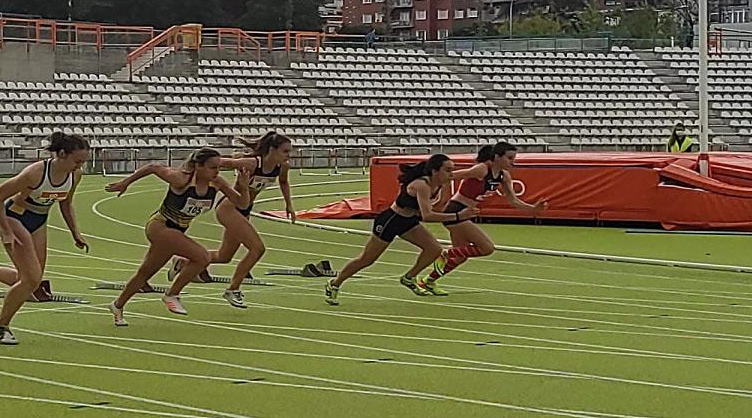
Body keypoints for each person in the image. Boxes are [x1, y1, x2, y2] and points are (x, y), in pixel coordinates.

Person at [0, 132, 90, 345]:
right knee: (31, 279)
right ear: (62, 154)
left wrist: (75, 233)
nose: (80, 165)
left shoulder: (75, 175)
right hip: (15, 217)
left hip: (39, 220)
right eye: (77, 161)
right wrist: (6, 231)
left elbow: (66, 203)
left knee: (29, 280)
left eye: (83, 161)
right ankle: (1, 326)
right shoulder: (35, 173)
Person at [104, 148, 250, 326]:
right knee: (202, 257)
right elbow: (152, 167)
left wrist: (244, 187)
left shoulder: (217, 183)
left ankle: (117, 305)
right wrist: (125, 183)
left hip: (177, 232)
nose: (217, 171)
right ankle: (172, 294)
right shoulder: (181, 179)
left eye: (219, 167)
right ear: (198, 166)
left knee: (145, 273)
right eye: (212, 167)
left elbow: (242, 204)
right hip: (160, 226)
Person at [324, 154, 474, 306]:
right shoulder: (422, 185)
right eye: (447, 170)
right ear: (435, 171)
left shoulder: (440, 184)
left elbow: (438, 206)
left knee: (434, 249)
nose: (451, 174)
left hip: (408, 221)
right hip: (391, 220)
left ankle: (409, 277)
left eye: (452, 170)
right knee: (367, 259)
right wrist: (458, 216)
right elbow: (427, 216)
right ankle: (335, 284)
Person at [416, 142, 547, 295]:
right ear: (497, 157)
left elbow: (513, 200)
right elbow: (451, 176)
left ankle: (428, 281)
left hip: (466, 213)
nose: (513, 162)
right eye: (510, 158)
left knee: (460, 257)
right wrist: (439, 198)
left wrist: (533, 209)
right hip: (457, 210)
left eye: (514, 158)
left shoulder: (504, 176)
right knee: (487, 248)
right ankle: (447, 253)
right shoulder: (482, 169)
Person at [193, 131, 296, 308]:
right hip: (229, 208)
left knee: (224, 256)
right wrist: (192, 168)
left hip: (245, 209)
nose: (288, 155)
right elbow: (223, 162)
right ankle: (233, 289)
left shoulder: (282, 167)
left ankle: (184, 260)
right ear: (272, 150)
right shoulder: (252, 163)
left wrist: (289, 205)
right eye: (285, 151)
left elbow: (284, 182)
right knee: (257, 248)